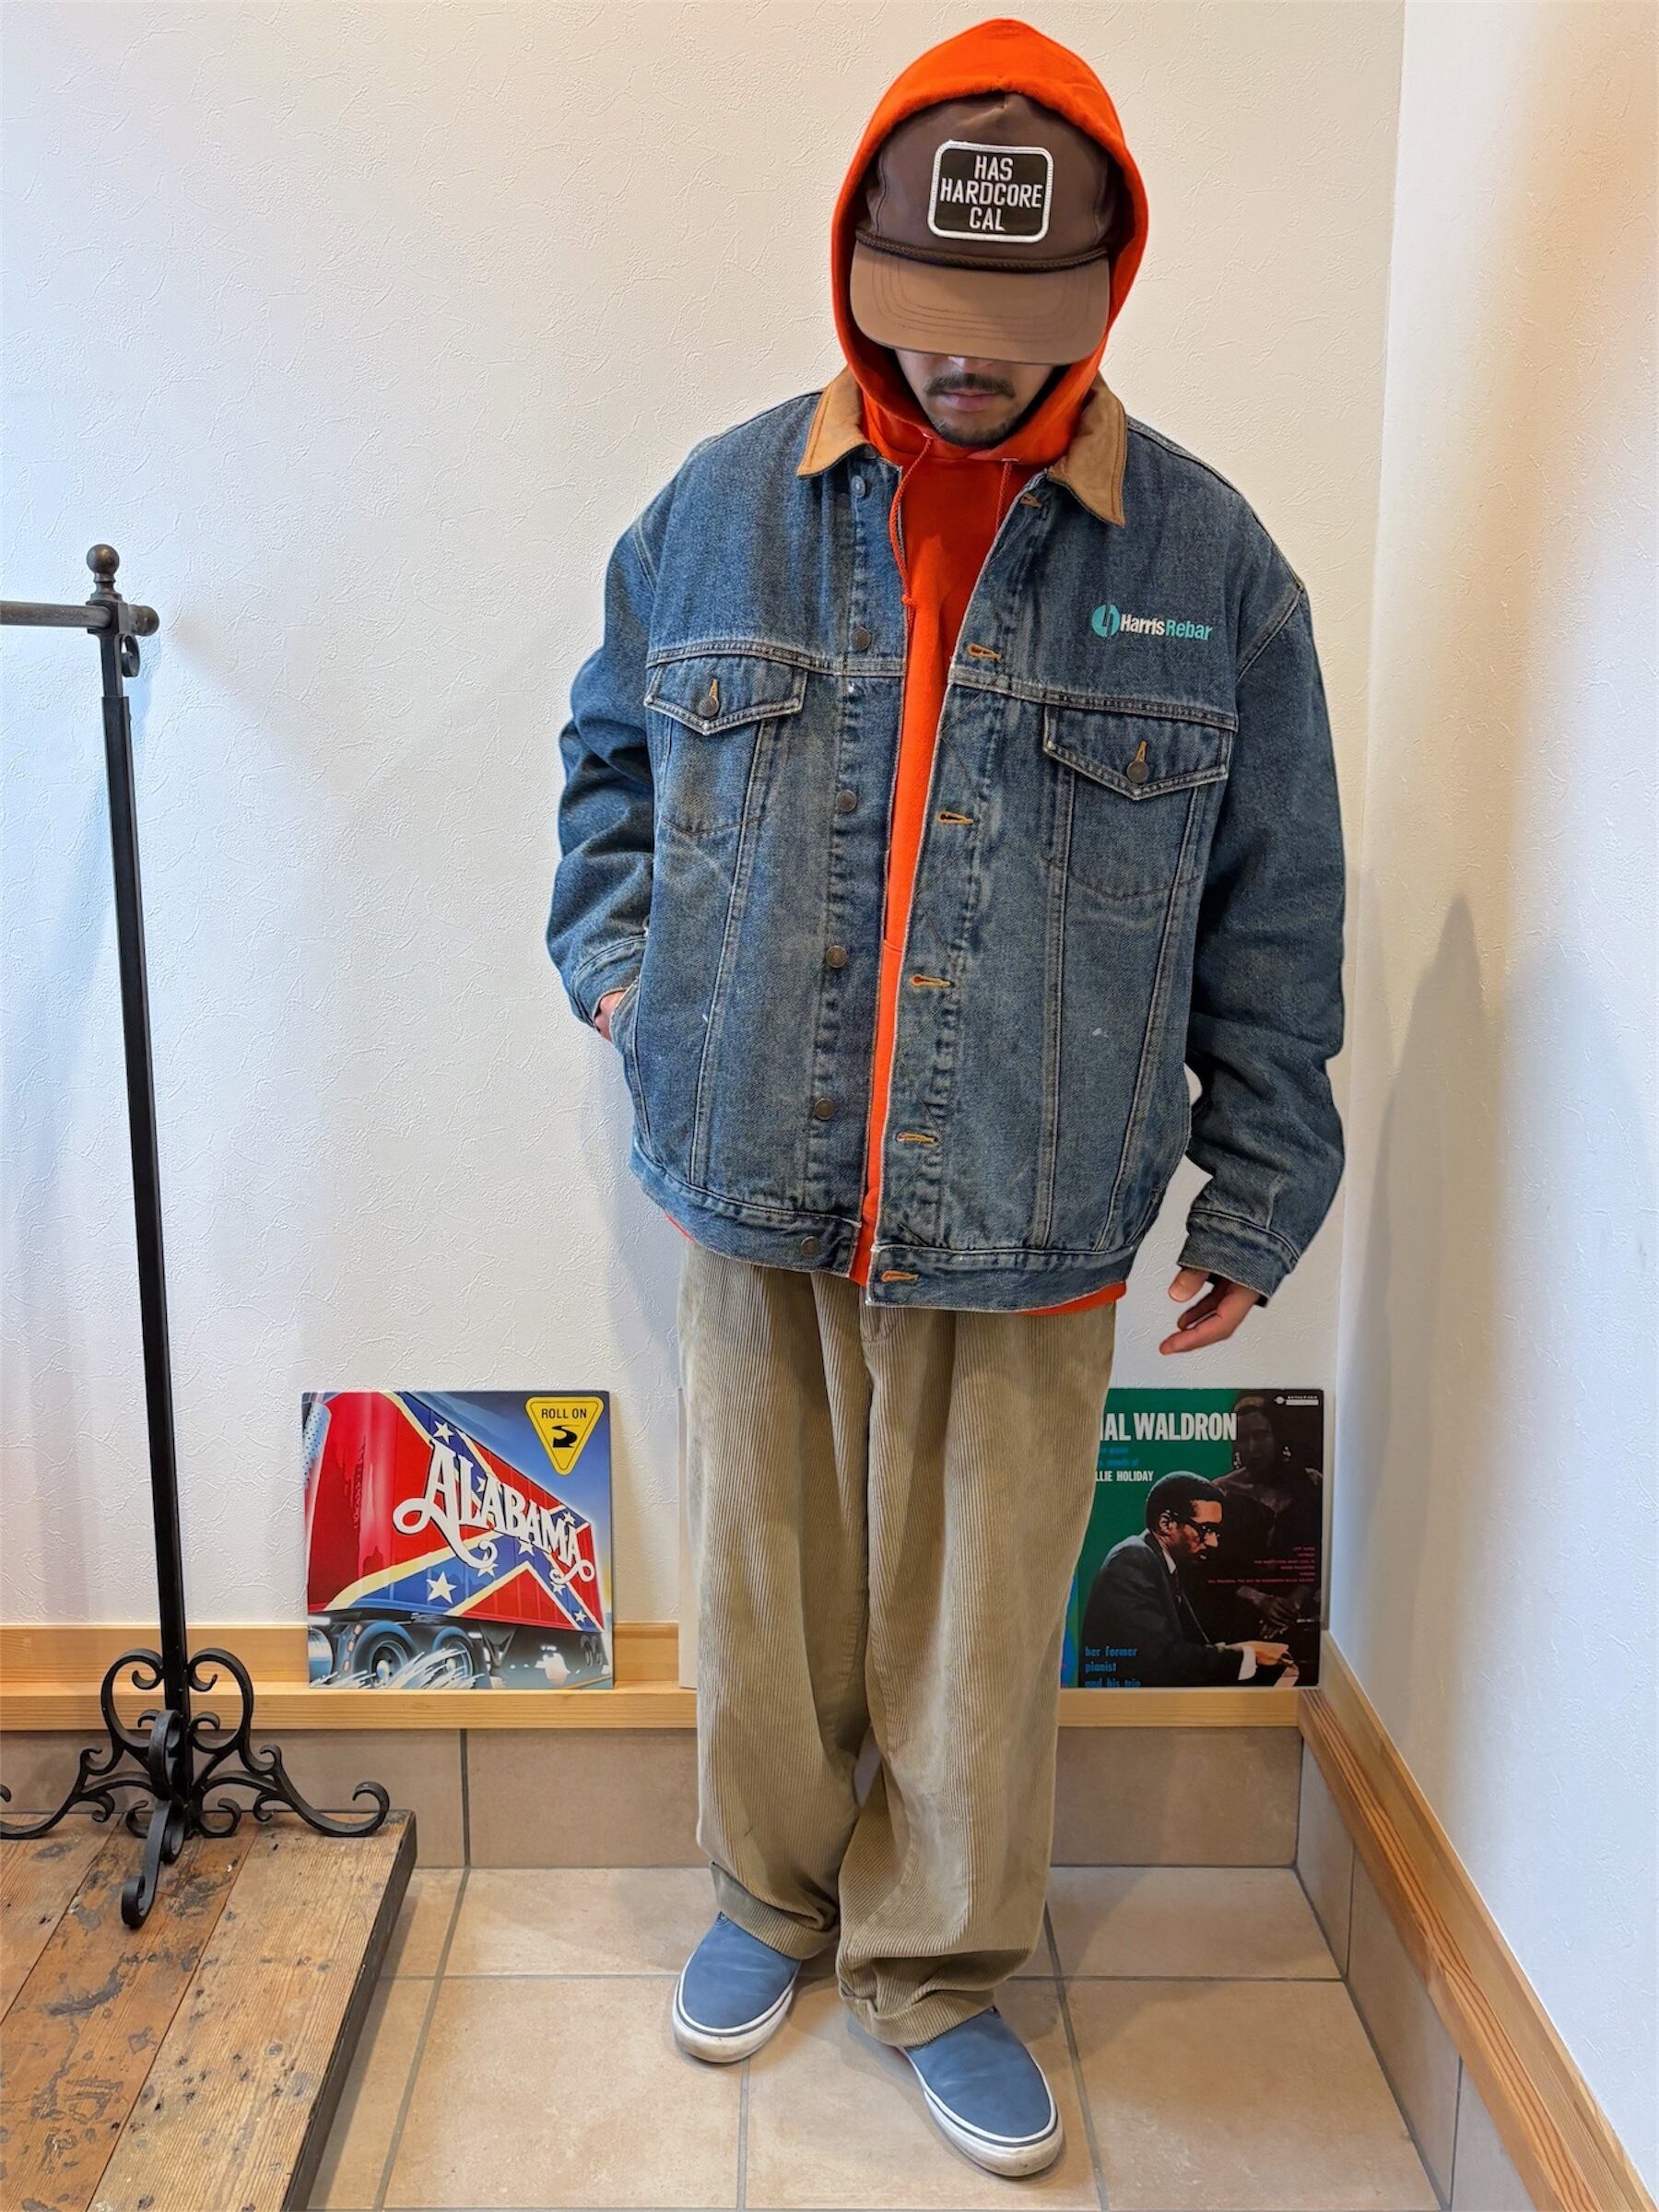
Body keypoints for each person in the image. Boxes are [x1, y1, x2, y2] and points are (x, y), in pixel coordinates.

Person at [547, 14, 1344, 2178]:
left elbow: (1276, 898)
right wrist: (620, 968)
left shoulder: (1210, 567)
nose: (969, 364)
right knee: (764, 1579)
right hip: (756, 1156)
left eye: (1020, 325)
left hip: (1037, 1175)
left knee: (978, 1627)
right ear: (852, 266)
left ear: (1105, 290)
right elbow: (607, 763)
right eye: (927, 313)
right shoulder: (720, 510)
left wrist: (1261, 1180)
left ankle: (941, 1962)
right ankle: (766, 1897)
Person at [1077, 1471, 1298, 1688]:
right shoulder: (1132, 1558)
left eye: (1216, 1532)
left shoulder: (1162, 1563)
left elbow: (1184, 1651)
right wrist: (1249, 1654)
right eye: (1206, 1529)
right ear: (1166, 1524)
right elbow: (1161, 1660)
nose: (1213, 1543)